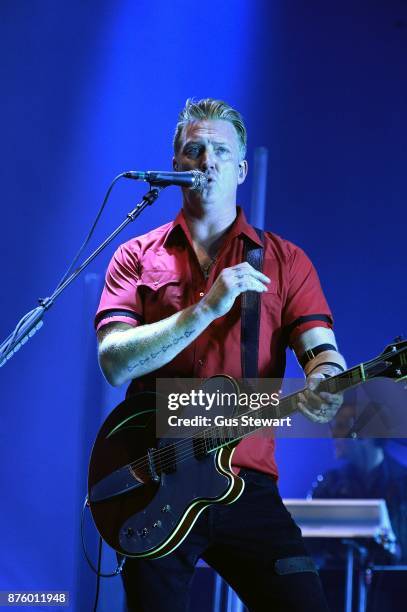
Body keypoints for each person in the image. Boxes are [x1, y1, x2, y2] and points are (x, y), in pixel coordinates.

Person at [95, 98, 346, 612]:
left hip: (245, 476)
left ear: (241, 168)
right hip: (155, 478)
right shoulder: (136, 256)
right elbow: (114, 362)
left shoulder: (286, 261)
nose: (206, 160)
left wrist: (327, 379)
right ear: (176, 166)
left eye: (220, 150)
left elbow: (323, 353)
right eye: (193, 150)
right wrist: (205, 309)